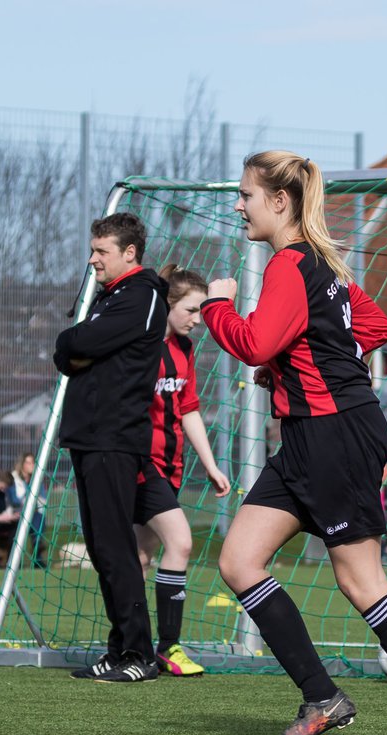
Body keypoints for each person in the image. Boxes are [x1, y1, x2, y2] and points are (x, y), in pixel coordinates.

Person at [203, 150, 387, 735]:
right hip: (307, 437)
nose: (239, 205)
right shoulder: (324, 263)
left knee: (361, 581)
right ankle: (321, 699)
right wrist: (301, 359)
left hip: (336, 434)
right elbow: (375, 326)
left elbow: (254, 343)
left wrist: (215, 306)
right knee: (239, 561)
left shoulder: (290, 262)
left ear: (280, 201)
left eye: (247, 195)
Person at [54, 211, 169, 684]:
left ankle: (140, 653)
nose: (93, 259)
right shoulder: (109, 297)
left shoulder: (141, 295)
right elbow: (69, 354)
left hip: (114, 438)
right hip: (89, 436)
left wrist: (74, 343)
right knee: (103, 548)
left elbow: (78, 341)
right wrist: (74, 345)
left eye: (101, 251)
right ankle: (120, 647)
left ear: (129, 253)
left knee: (117, 546)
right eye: (93, 249)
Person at [131, 263, 232, 678]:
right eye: (192, 310)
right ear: (167, 306)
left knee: (141, 556)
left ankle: (129, 645)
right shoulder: (142, 345)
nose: (198, 319)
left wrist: (211, 466)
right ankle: (167, 647)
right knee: (182, 542)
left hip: (171, 468)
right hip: (141, 466)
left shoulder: (185, 351)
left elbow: (188, 409)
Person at [8, 453, 48, 568]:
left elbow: (43, 501)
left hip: (33, 514)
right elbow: (16, 500)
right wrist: (30, 495)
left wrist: (31, 500)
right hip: (16, 514)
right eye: (29, 463)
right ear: (22, 465)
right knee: (31, 519)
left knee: (39, 517)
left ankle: (38, 553)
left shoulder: (37, 480)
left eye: (33, 462)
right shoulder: (14, 478)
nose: (32, 465)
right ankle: (21, 559)